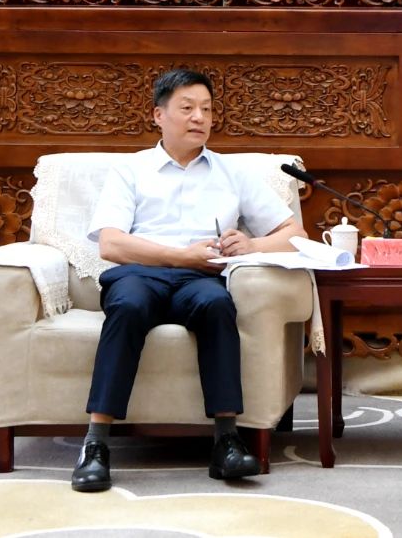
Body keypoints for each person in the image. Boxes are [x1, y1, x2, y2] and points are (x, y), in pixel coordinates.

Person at [72, 68, 307, 492]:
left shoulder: (232, 173)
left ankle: (226, 442)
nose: (199, 117)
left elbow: (295, 235)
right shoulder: (132, 170)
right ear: (158, 115)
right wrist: (181, 255)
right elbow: (111, 244)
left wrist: (251, 245)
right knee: (127, 307)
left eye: (207, 109)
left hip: (201, 278)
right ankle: (95, 444)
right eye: (187, 108)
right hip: (140, 274)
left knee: (217, 306)